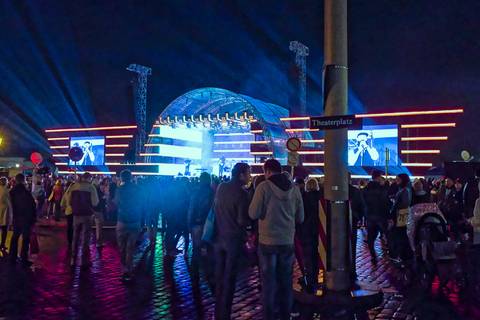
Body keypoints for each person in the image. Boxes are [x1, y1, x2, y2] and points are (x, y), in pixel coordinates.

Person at [249, 159, 304, 320]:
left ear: (267, 171)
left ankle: (269, 316)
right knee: (286, 282)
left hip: (267, 242)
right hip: (287, 241)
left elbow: (253, 213)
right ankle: (285, 315)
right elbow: (300, 217)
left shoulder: (263, 187)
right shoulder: (294, 189)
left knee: (268, 283)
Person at [214, 163, 251, 320]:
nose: (250, 176)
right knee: (230, 278)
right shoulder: (242, 194)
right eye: (248, 173)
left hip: (220, 237)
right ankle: (225, 314)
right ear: (241, 175)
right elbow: (242, 220)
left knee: (220, 277)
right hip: (234, 240)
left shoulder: (222, 187)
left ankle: (218, 311)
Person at [114, 170, 143, 281]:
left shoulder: (119, 190)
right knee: (130, 248)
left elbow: (116, 203)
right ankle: (129, 270)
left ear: (122, 178)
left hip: (122, 220)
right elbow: (142, 202)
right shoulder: (138, 189)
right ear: (131, 178)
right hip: (135, 220)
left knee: (122, 247)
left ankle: (124, 269)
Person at [66, 172, 99, 267]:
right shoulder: (91, 187)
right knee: (86, 237)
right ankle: (84, 259)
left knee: (75, 236)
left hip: (76, 214)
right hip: (87, 215)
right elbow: (95, 202)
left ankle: (73, 258)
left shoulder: (74, 186)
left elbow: (69, 200)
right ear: (89, 178)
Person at [297, 177, 321, 292]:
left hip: (306, 230)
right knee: (316, 254)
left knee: (308, 256)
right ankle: (315, 276)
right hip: (318, 230)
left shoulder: (303, 197)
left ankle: (310, 277)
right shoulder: (320, 198)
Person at [9, 174, 36, 266]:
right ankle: (23, 258)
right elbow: (32, 206)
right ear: (23, 180)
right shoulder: (26, 192)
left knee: (15, 237)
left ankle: (12, 257)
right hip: (26, 218)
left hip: (17, 217)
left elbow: (10, 205)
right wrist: (33, 218)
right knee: (25, 238)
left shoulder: (12, 191)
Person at [363, 170, 390, 262]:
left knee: (371, 236)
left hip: (370, 215)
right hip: (381, 215)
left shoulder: (366, 188)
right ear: (378, 177)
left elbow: (364, 202)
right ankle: (390, 253)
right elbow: (385, 202)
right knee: (387, 234)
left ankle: (373, 254)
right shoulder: (382, 188)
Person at [188, 172, 214, 265]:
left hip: (197, 223)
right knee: (209, 247)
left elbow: (191, 210)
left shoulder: (195, 192)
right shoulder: (213, 193)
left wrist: (189, 224)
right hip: (209, 223)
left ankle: (195, 273)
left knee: (196, 248)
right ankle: (208, 273)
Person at [388, 173, 413, 263]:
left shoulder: (405, 190)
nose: (396, 181)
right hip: (401, 215)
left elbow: (404, 204)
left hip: (400, 216)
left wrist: (395, 204)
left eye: (398, 179)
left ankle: (401, 255)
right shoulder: (404, 189)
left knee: (399, 236)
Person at [94, 178, 110, 248]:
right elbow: (97, 202)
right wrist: (104, 196)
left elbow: (105, 202)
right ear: (101, 185)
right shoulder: (97, 192)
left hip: (101, 211)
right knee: (98, 227)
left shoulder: (102, 192)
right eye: (103, 186)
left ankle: (100, 241)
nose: (104, 188)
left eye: (105, 186)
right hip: (97, 211)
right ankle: (98, 242)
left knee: (101, 226)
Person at [0, 177, 12, 252]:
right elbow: (9, 203)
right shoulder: (7, 191)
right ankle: (2, 244)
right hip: (4, 213)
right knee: (4, 230)